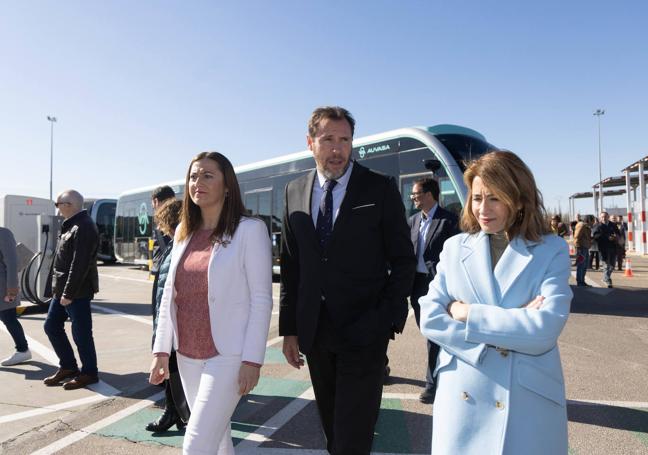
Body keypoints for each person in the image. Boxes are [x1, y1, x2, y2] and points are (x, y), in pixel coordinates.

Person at [280, 106, 416, 454]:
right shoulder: (294, 191)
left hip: (364, 331)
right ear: (310, 142)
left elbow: (403, 260)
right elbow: (292, 266)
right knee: (332, 430)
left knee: (353, 436)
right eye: (328, 140)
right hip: (316, 331)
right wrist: (290, 330)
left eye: (345, 140)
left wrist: (385, 318)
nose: (337, 149)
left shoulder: (379, 188)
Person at [419, 151, 572, 455]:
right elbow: (430, 317)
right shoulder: (454, 248)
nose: (482, 209)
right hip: (463, 398)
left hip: (527, 404)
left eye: (494, 198)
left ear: (518, 198)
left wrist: (466, 313)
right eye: (477, 198)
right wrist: (513, 322)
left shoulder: (551, 249)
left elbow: (544, 329)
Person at [149, 151, 272, 455]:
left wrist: (252, 360)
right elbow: (169, 296)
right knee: (217, 439)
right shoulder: (182, 232)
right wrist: (161, 351)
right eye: (192, 176)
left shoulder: (249, 230)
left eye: (207, 175)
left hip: (228, 353)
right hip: (187, 353)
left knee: (196, 444)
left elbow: (261, 299)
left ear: (227, 185)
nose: (197, 182)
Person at [407, 177, 459, 404]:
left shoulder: (449, 221)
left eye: (416, 194)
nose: (413, 198)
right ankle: (442, 374)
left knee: (435, 336)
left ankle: (432, 384)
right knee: (428, 331)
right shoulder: (412, 221)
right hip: (417, 286)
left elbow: (457, 258)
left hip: (439, 286)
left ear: (429, 195)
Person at [43, 190, 100, 390]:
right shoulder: (71, 225)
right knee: (51, 326)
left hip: (77, 292)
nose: (57, 208)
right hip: (63, 290)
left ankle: (89, 373)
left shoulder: (84, 226)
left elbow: (80, 264)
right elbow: (62, 261)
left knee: (81, 333)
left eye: (58, 204)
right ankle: (68, 366)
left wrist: (68, 293)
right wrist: (54, 289)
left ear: (69, 204)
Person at [145, 199, 190, 433]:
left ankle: (180, 413)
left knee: (176, 373)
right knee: (172, 374)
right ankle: (174, 412)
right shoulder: (174, 245)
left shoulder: (181, 246)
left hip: (178, 326)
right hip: (168, 324)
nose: (161, 228)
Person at [0, 227, 31, 366]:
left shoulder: (3, 234)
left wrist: (12, 288)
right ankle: (23, 350)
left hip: (3, 287)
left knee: (9, 318)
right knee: (9, 318)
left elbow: (11, 262)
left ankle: (23, 350)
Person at [151, 185, 176, 276]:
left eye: (153, 204)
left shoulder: (161, 223)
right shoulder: (187, 217)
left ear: (156, 201)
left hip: (165, 272)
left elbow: (159, 256)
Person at [592, 211, 620, 288]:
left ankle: (605, 278)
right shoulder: (597, 226)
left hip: (613, 248)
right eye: (602, 217)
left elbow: (618, 234)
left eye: (605, 216)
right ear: (600, 218)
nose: (604, 218)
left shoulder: (613, 225)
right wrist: (607, 237)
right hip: (603, 248)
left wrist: (616, 237)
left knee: (612, 266)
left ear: (608, 217)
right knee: (606, 266)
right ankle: (608, 280)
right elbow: (595, 236)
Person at [574, 215, 594, 286]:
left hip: (585, 248)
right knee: (581, 265)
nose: (593, 222)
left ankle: (582, 281)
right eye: (593, 220)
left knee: (585, 265)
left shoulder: (586, 226)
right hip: (581, 248)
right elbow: (576, 237)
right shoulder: (581, 225)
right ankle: (580, 282)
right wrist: (578, 249)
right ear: (589, 220)